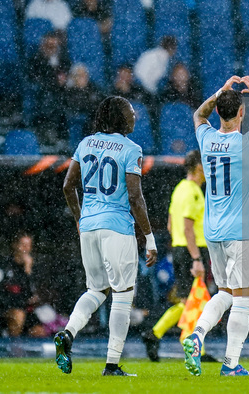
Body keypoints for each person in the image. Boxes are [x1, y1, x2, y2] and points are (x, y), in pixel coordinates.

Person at [182, 75, 249, 377]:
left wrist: (221, 91)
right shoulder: (247, 143)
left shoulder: (205, 138)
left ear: (218, 111)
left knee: (226, 293)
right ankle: (230, 364)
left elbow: (197, 114)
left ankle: (197, 334)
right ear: (241, 113)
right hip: (240, 231)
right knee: (243, 299)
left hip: (213, 231)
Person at [55, 96, 158, 377]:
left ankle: (67, 333)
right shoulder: (131, 148)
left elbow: (67, 186)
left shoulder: (86, 143)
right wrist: (149, 237)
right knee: (123, 295)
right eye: (131, 111)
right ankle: (111, 365)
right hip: (116, 227)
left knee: (96, 290)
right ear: (120, 118)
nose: (135, 115)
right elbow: (135, 197)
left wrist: (79, 218)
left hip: (88, 226)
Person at [141, 149, 211, 361]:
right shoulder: (192, 192)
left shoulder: (179, 189)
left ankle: (156, 334)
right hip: (192, 251)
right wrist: (196, 258)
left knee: (190, 300)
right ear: (199, 167)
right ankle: (182, 341)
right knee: (196, 301)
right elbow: (188, 228)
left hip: (181, 249)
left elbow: (172, 225)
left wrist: (181, 248)